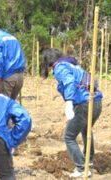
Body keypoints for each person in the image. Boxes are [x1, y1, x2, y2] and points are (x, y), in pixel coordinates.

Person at [43, 48, 103, 178]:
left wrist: (69, 102)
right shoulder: (73, 65)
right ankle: (89, 160)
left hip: (84, 103)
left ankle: (82, 169)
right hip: (96, 101)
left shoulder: (59, 67)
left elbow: (69, 82)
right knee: (86, 129)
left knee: (69, 136)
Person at [0, 22, 25, 100]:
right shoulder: (13, 38)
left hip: (7, 78)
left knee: (1, 105)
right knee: (10, 106)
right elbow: (21, 55)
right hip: (19, 77)